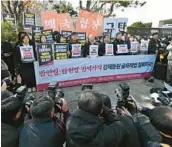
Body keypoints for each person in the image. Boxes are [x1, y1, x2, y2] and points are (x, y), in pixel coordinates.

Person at [66, 90, 141, 147]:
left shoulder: (68, 122)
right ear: (101, 111)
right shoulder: (106, 135)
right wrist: (128, 118)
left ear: (78, 107)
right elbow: (119, 126)